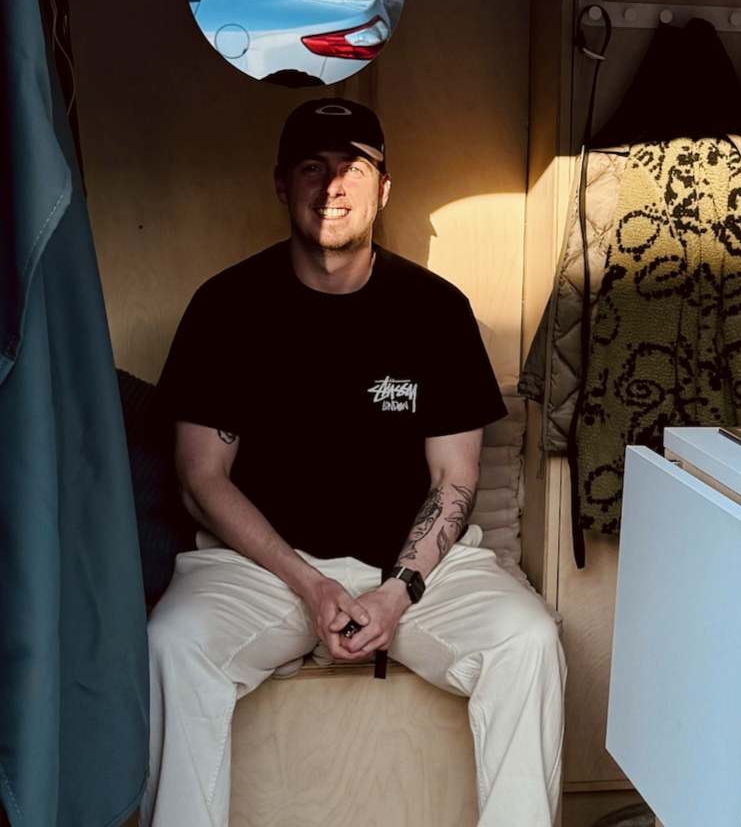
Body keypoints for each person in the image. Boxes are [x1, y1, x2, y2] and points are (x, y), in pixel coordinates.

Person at [142, 99, 565, 827]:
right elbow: (200, 480)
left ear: (384, 188)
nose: (332, 186)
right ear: (283, 183)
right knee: (173, 644)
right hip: (263, 570)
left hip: (410, 571)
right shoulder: (225, 306)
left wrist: (398, 592)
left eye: (353, 169)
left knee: (528, 641)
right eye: (313, 166)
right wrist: (309, 584)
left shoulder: (435, 309)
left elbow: (454, 480)